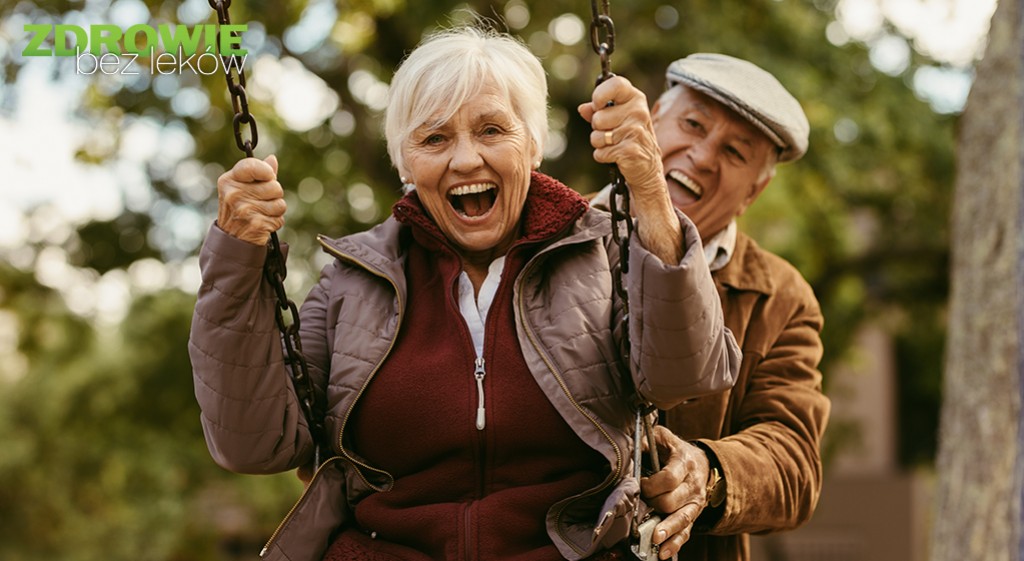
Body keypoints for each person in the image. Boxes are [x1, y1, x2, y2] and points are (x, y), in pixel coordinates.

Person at [189, 27, 740, 561]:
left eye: (492, 130)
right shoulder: (351, 282)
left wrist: (649, 190)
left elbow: (686, 377)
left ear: (533, 145)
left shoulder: (601, 255)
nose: (466, 159)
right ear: (405, 162)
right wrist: (236, 257)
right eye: (434, 139)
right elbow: (254, 445)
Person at [593, 54, 830, 560]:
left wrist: (708, 470)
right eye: (693, 125)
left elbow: (794, 463)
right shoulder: (550, 235)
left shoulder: (781, 298)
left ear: (755, 191)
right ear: (653, 118)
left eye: (735, 152)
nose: (702, 156)